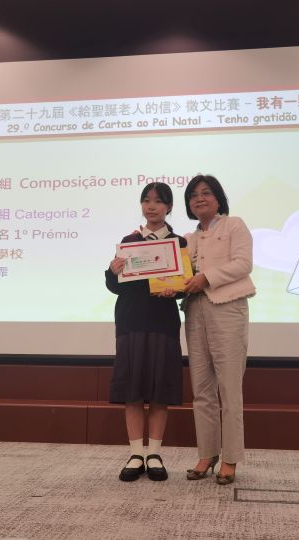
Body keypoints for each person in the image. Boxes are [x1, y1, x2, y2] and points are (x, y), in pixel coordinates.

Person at [105, 182, 186, 482]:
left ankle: (154, 453)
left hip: (163, 324)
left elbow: (183, 285)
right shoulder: (129, 241)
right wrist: (112, 271)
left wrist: (175, 290)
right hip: (131, 322)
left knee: (159, 391)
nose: (151, 206)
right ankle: (136, 453)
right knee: (133, 391)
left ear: (169, 207)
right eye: (146, 200)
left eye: (158, 201)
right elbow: (115, 287)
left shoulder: (179, 243)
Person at [182, 174, 255, 485]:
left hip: (227, 308)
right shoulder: (188, 238)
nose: (199, 199)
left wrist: (206, 278)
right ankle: (207, 453)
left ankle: (230, 458)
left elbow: (243, 264)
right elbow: (178, 274)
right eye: (193, 195)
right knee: (201, 390)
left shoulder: (234, 225)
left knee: (229, 389)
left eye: (206, 193)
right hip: (195, 310)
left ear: (218, 198)